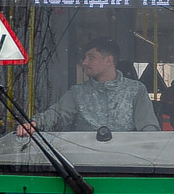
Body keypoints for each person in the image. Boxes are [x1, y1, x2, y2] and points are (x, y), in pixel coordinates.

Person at [17, 38, 159, 136]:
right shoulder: (77, 93)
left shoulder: (136, 91)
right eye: (84, 58)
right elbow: (58, 114)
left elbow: (148, 129)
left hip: (129, 167)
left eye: (91, 57)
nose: (84, 62)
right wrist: (34, 124)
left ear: (109, 60)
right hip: (82, 167)